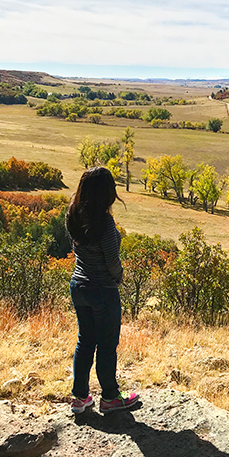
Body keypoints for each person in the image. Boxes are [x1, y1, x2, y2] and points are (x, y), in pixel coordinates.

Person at [66, 166, 139, 415]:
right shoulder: (105, 223)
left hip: (79, 286)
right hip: (102, 289)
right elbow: (112, 261)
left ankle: (79, 398)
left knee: (85, 341)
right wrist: (119, 277)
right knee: (107, 345)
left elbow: (77, 249)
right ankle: (109, 397)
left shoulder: (73, 214)